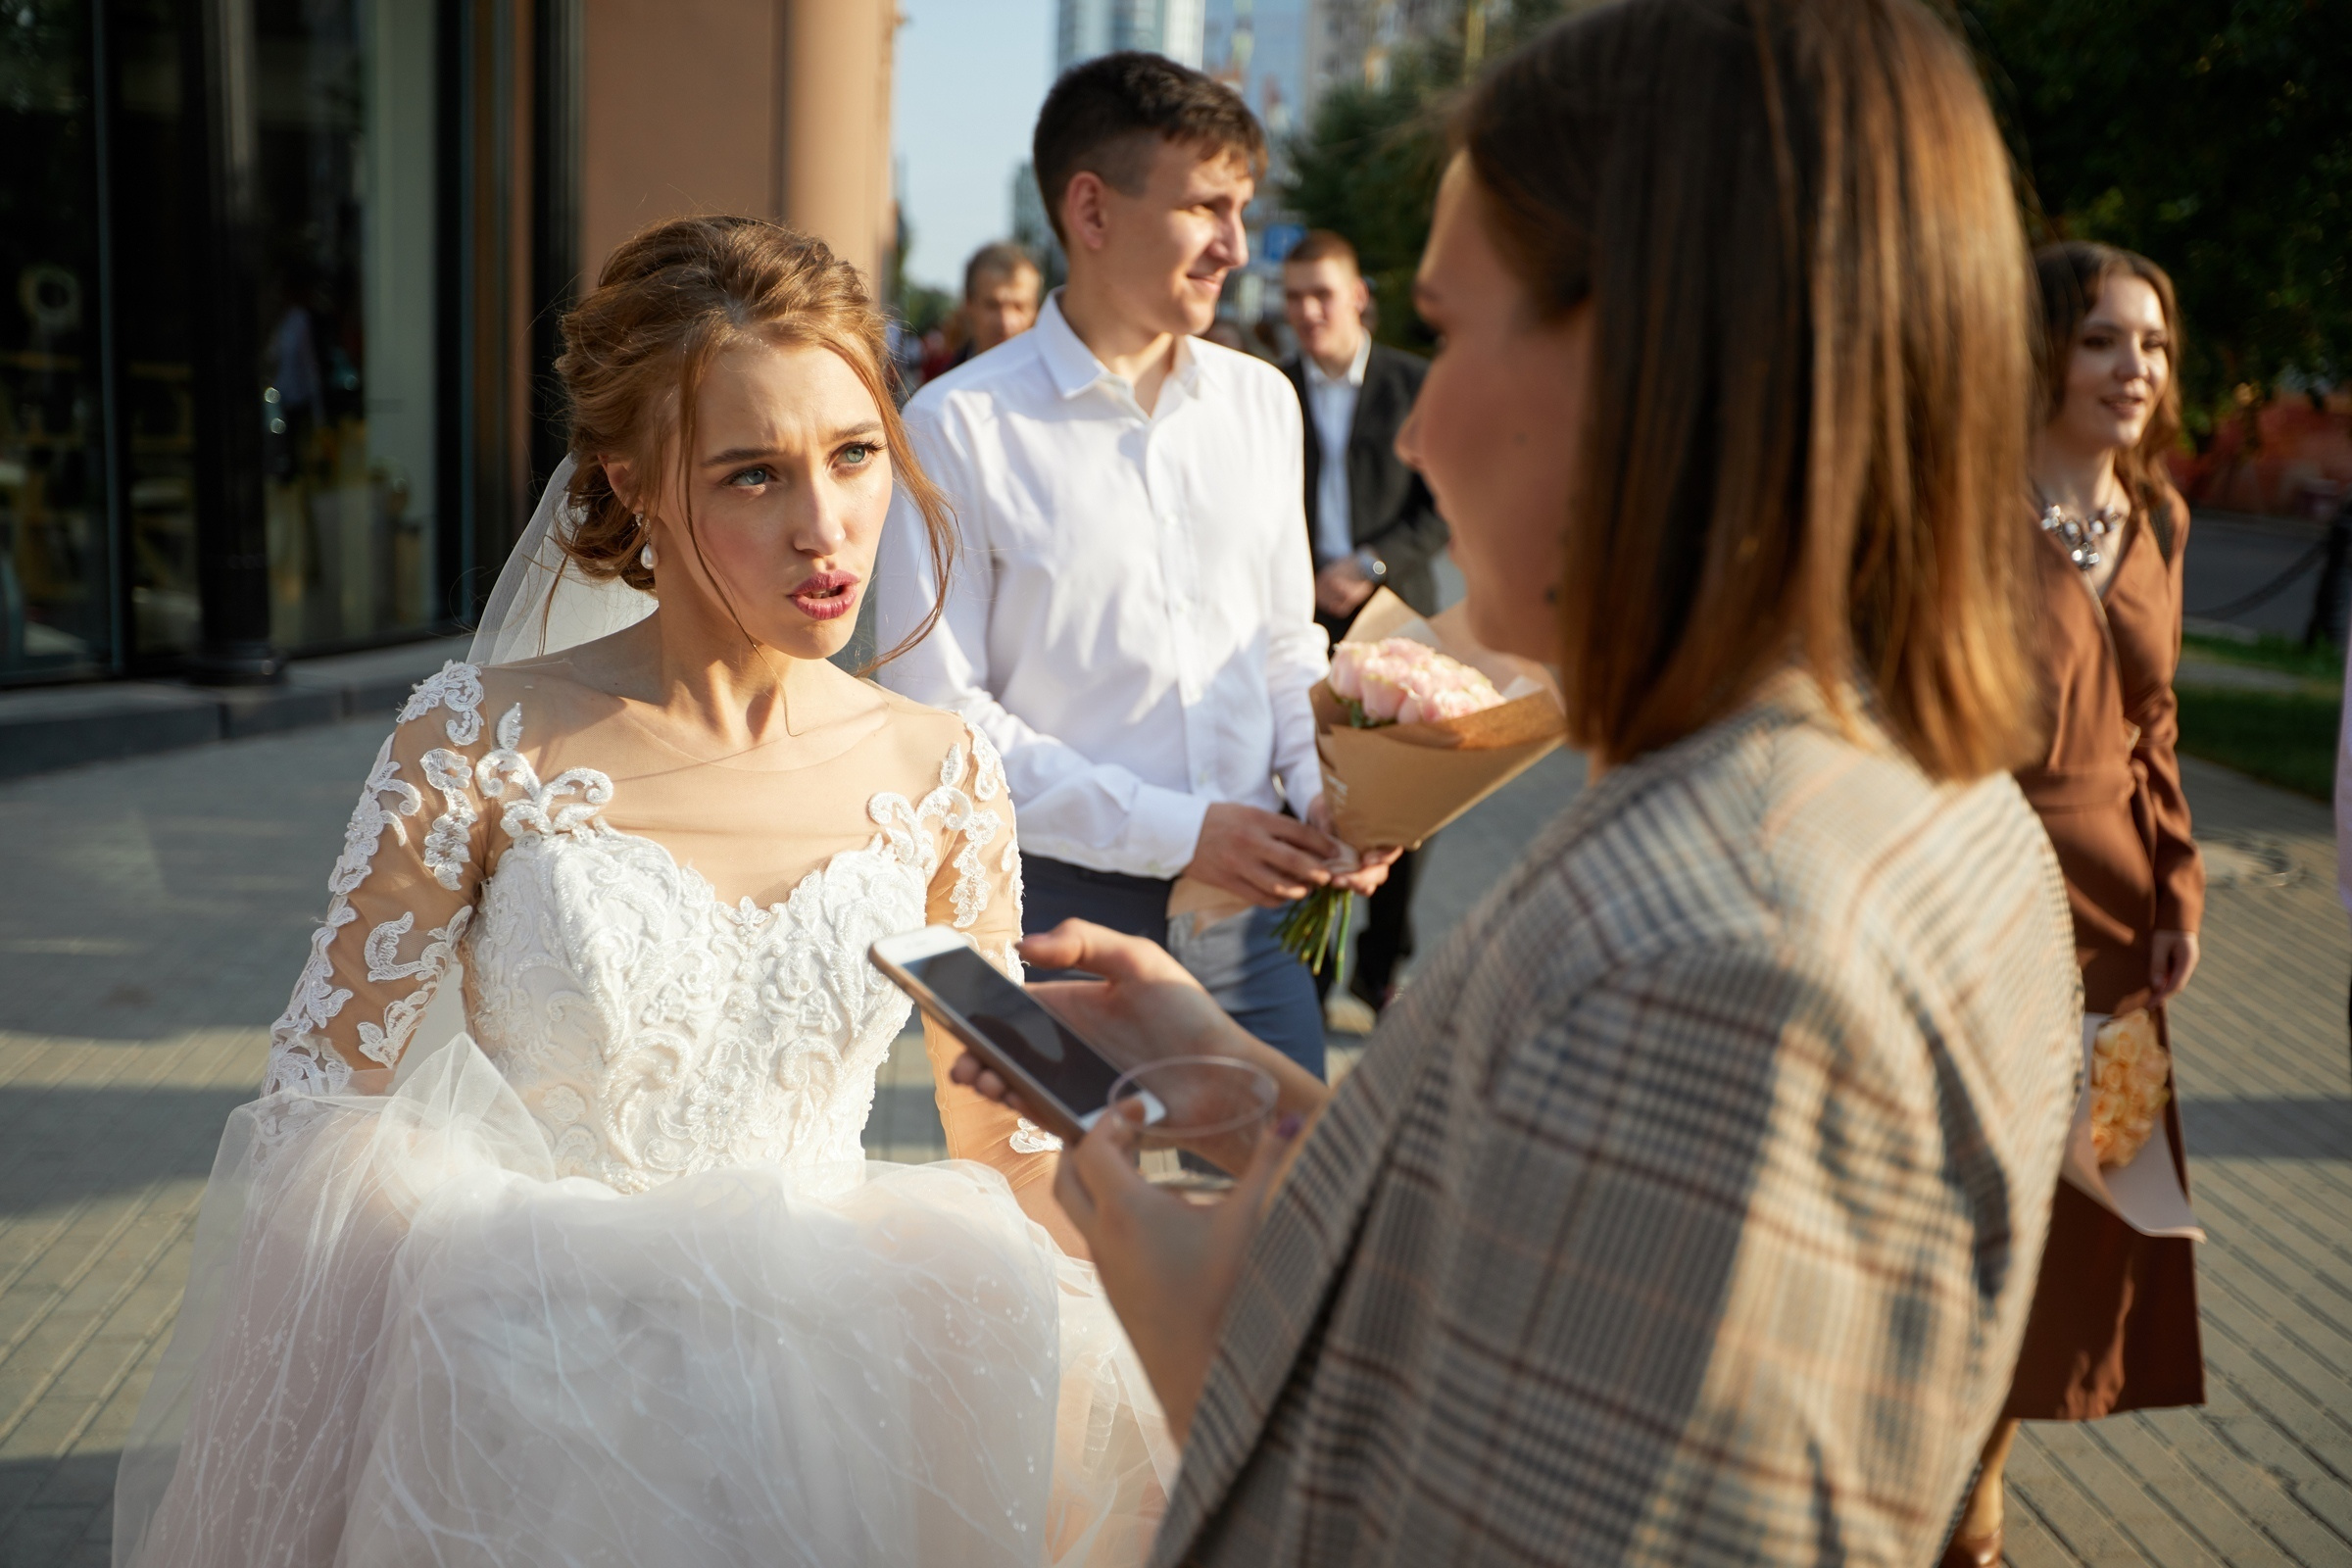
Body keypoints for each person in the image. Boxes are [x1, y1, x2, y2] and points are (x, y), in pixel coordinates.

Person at [954, 2, 2085, 1562]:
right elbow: (1516, 1242)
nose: (1419, 421)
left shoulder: (1708, 963)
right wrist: (1244, 1075)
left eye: (1458, 326)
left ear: (1653, 367)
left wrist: (1203, 1339)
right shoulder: (1919, 811)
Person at [111, 217, 1171, 1568]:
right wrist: (506, 1302)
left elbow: (1009, 1138)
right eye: (750, 475)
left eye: (854, 455)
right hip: (533, 1402)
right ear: (633, 481)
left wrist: (1169, 1306)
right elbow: (323, 1117)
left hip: (847, 1404)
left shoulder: (941, 768)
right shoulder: (476, 740)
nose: (825, 525)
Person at [873, 52, 1390, 1082]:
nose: (1236, 249)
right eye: (1208, 208)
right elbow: (938, 722)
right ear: (1093, 212)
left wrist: (1331, 789)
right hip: (1053, 926)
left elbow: (1287, 644)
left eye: (1241, 210)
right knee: (1062, 1239)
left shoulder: (1260, 405)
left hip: (1257, 921)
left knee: (1277, 1223)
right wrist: (1179, 830)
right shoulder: (957, 427)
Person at [1947, 242, 2209, 1568]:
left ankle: (1976, 1488)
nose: (2137, 371)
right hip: (1977, 905)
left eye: (2154, 347)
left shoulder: (2158, 518)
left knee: (2080, 1225)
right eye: (2106, 340)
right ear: (2043, 351)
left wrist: (2178, 885)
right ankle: (1939, 1483)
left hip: (2116, 942)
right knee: (1964, 1204)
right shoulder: (1961, 508)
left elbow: (2156, 724)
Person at [1278, 228, 1448, 1018]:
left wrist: (1370, 565)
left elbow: (1440, 504)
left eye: (1322, 293)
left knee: (1409, 807)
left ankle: (1378, 965)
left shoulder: (1417, 384)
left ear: (1358, 297)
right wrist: (1303, 574)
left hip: (1397, 618)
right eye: (1293, 296)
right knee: (1310, 796)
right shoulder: (1266, 390)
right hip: (1297, 620)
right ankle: (1308, 970)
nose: (1307, 311)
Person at [955, 240, 1043, 367]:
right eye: (992, 306)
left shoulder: (1063, 384)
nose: (1005, 322)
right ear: (969, 303)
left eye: (1018, 307)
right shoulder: (941, 384)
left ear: (1036, 308)